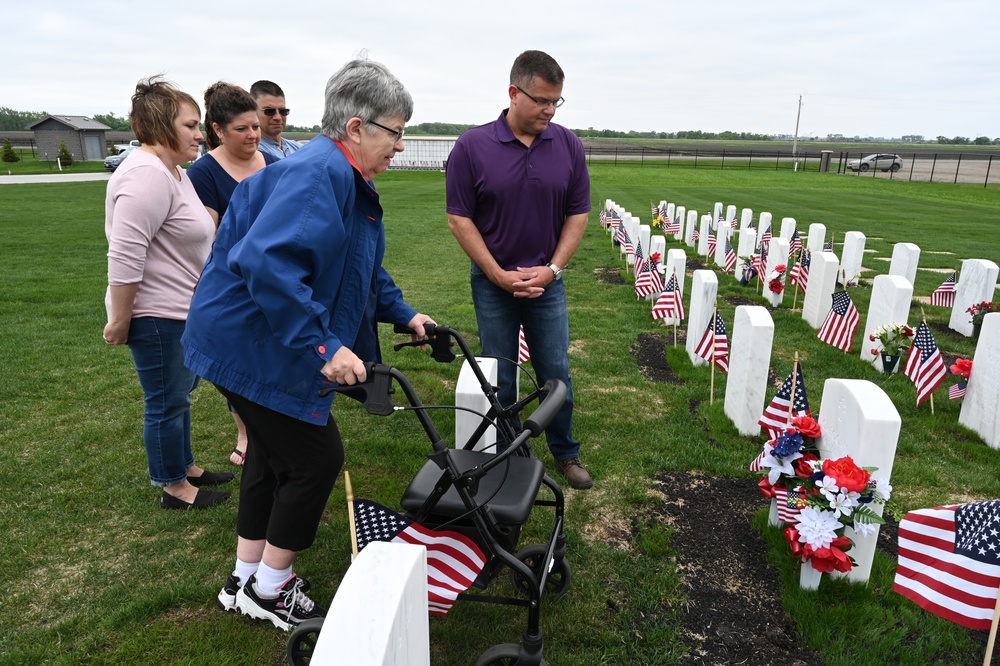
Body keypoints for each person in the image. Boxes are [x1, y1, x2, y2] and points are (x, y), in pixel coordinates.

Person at [182, 58, 434, 630]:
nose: (400, 145)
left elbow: (358, 268)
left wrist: (404, 314)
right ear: (355, 128)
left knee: (271, 460)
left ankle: (246, 578)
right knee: (316, 459)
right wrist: (324, 346)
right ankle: (273, 589)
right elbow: (267, 265)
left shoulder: (342, 177)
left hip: (241, 338)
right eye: (395, 132)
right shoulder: (322, 174)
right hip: (250, 342)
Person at [445, 50, 593, 490]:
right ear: (513, 92)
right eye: (542, 100)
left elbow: (578, 214)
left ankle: (566, 452)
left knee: (555, 371)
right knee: (500, 370)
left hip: (547, 282)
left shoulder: (567, 144)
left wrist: (552, 270)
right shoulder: (472, 146)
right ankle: (509, 452)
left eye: (556, 102)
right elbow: (460, 218)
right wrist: (495, 273)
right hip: (494, 283)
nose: (549, 110)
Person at [104, 76, 233, 509]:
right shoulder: (145, 176)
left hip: (181, 310)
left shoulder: (171, 172)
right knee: (165, 401)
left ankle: (186, 467)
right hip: (155, 315)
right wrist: (120, 321)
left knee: (179, 396)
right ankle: (173, 486)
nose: (200, 134)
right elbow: (125, 257)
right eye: (191, 125)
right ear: (161, 126)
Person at [187, 82, 277, 466]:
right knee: (238, 362)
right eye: (242, 129)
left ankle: (268, 427)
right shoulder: (204, 173)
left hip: (272, 279)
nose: (253, 135)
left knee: (269, 357)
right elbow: (208, 238)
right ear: (218, 131)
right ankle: (246, 430)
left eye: (255, 126)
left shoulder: (273, 165)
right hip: (232, 284)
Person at [250, 80, 302, 160]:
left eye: (283, 111)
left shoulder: (299, 149)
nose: (278, 117)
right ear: (253, 111)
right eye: (269, 111)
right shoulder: (252, 153)